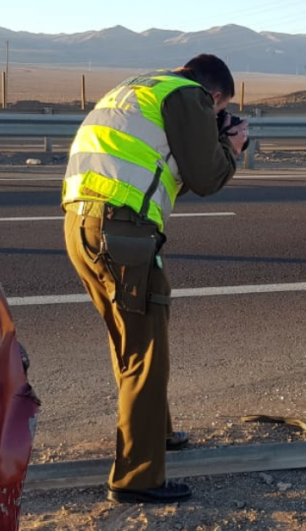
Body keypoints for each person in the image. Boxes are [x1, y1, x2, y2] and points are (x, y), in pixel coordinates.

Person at [61, 54, 249, 504]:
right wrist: (232, 150)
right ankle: (137, 477)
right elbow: (207, 178)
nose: (217, 115)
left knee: (134, 337)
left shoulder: (141, 88)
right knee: (146, 348)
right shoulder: (191, 97)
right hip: (121, 231)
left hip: (82, 223)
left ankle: (156, 435)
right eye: (220, 110)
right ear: (216, 95)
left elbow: (161, 172)